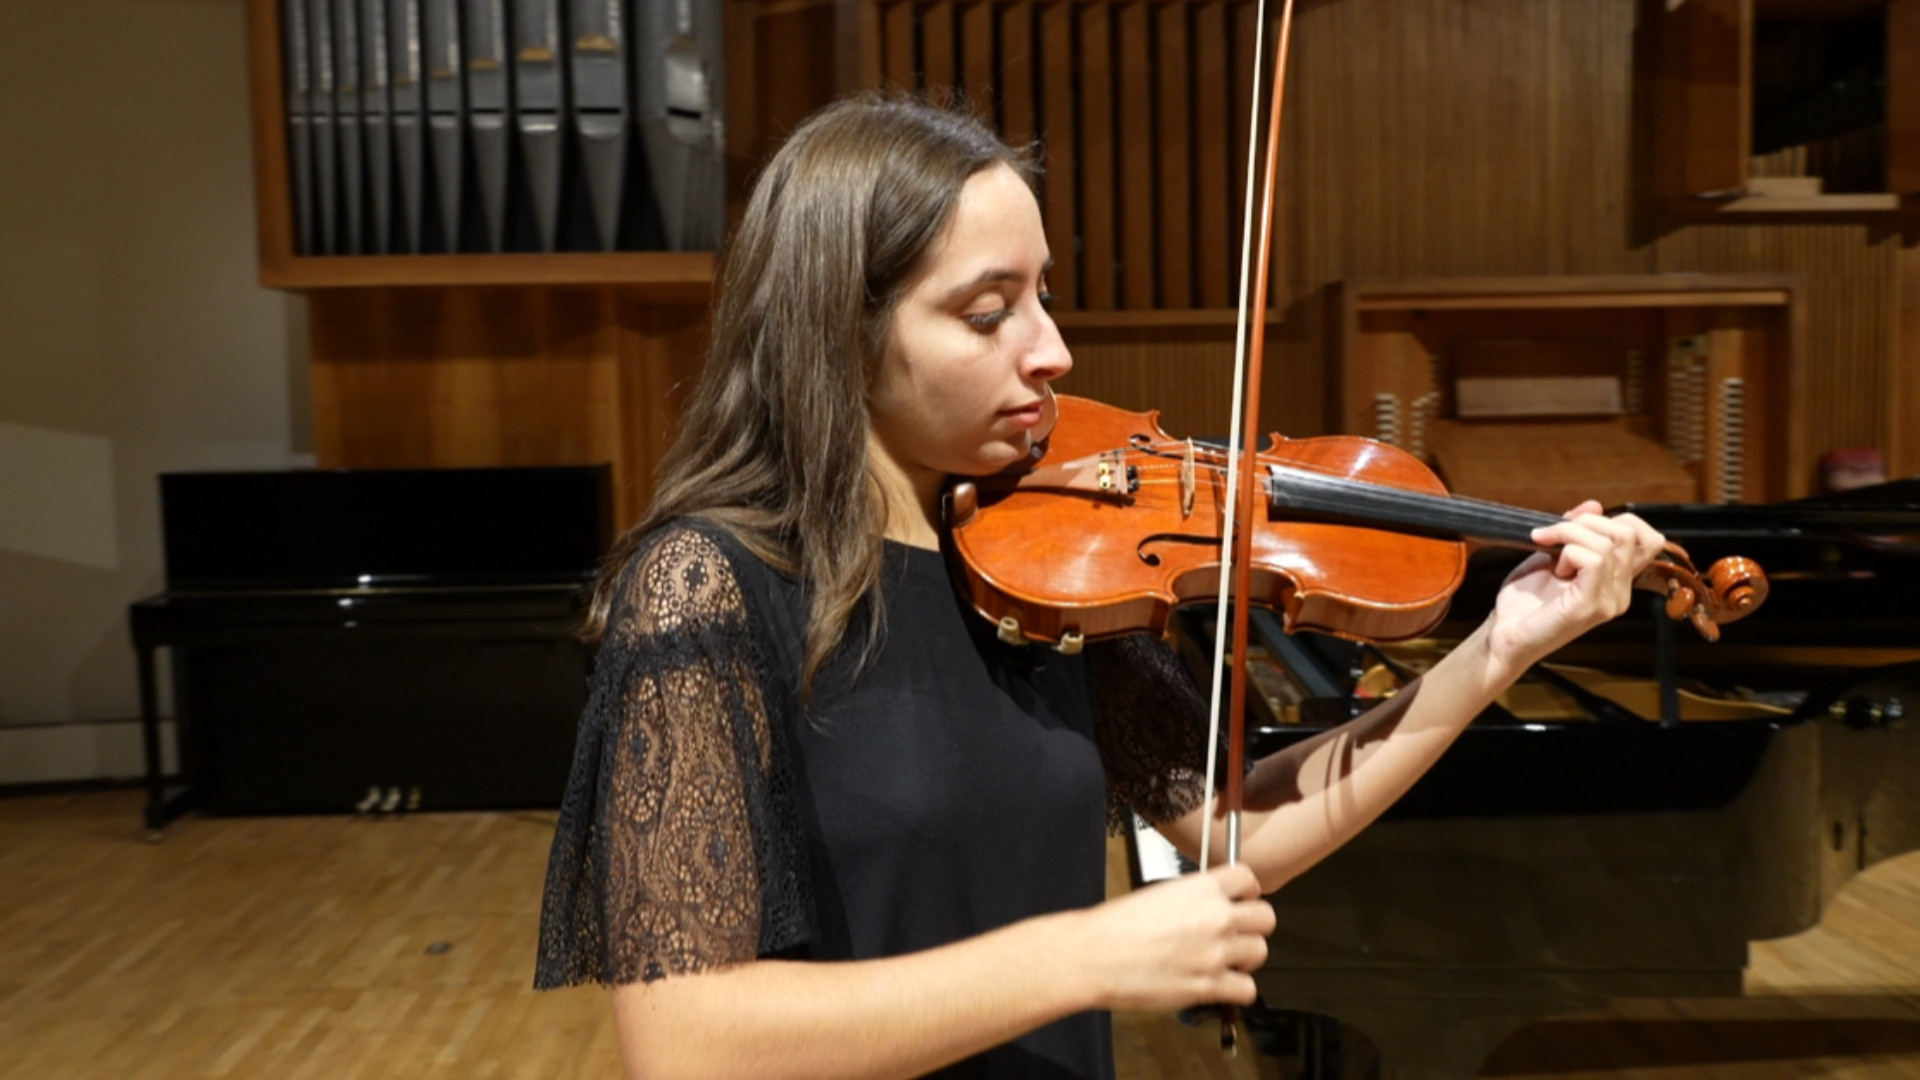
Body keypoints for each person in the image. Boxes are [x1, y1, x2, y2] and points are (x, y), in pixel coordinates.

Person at [535, 94, 1667, 1080]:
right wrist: (1080, 955)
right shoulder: (705, 586)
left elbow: (1233, 830)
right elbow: (687, 1041)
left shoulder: (1042, 560)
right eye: (989, 313)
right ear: (841, 329)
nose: (1052, 348)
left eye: (1044, 295)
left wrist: (1498, 651)